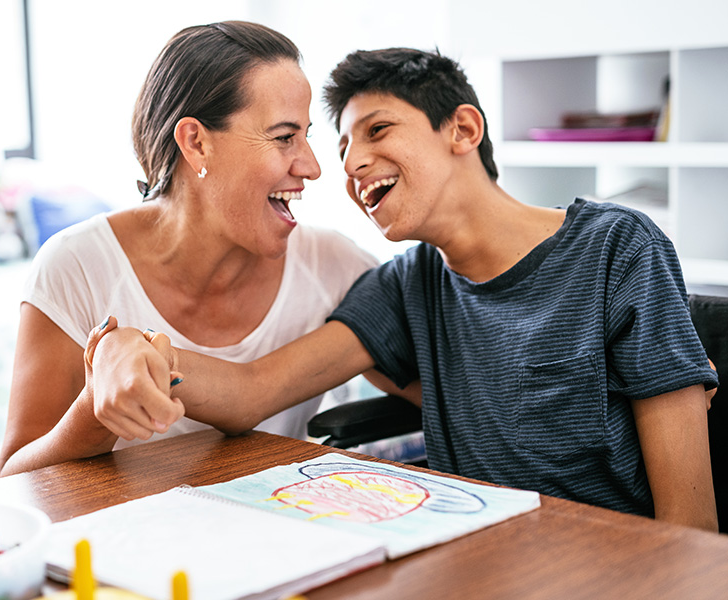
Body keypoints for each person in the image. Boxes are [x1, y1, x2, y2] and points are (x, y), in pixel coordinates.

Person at [89, 48, 719, 531]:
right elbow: (253, 390)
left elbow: (689, 529)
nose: (351, 164)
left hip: (611, 563)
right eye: (341, 148)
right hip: (474, 558)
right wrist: (139, 351)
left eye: (378, 130)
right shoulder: (409, 283)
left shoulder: (617, 248)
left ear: (463, 130)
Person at [0, 22, 383, 477]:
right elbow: (14, 482)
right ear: (196, 143)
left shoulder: (333, 265)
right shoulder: (75, 267)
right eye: (283, 137)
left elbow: (431, 382)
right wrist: (96, 405)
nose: (313, 167)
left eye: (306, 136)